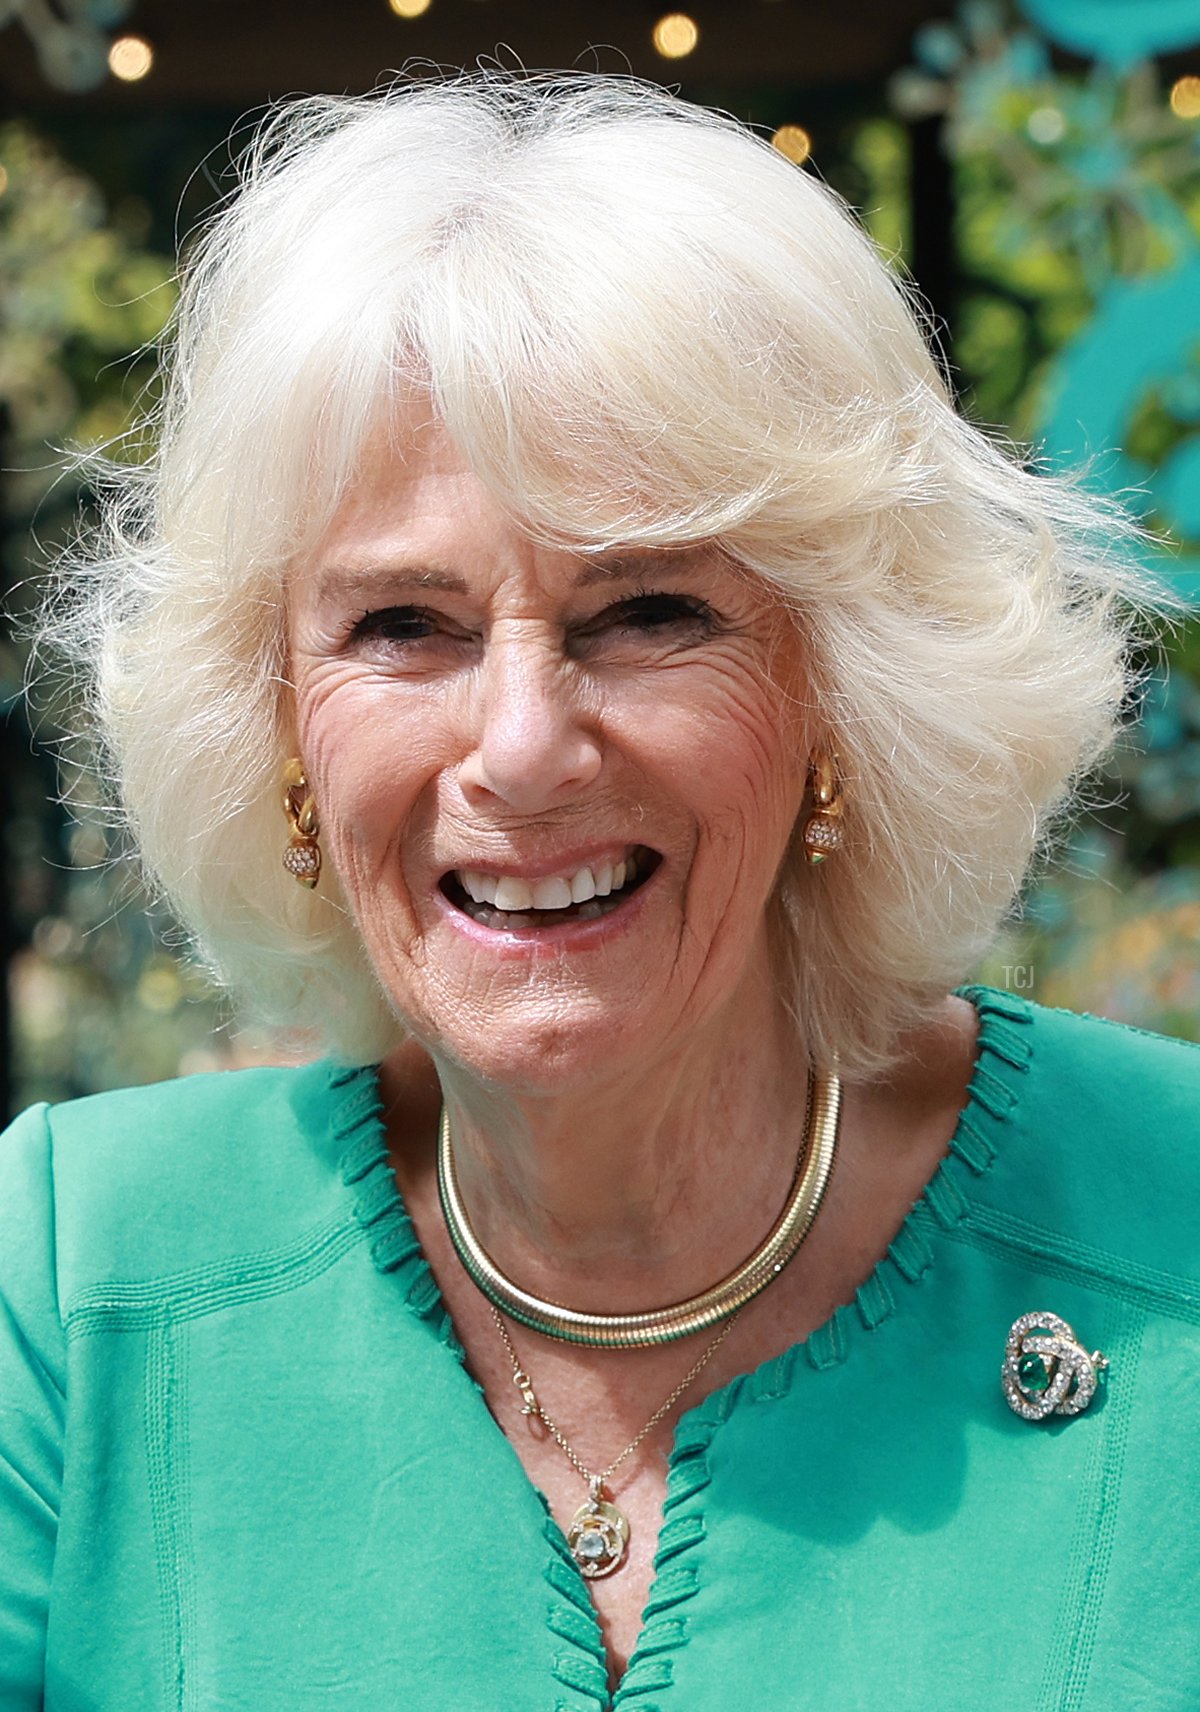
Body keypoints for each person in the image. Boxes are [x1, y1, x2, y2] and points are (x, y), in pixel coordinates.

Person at [2, 73, 1198, 1711]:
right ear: (277, 728)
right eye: (402, 626)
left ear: (845, 691)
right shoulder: (76, 1276)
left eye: (646, 613)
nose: (520, 747)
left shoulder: (1169, 1218)